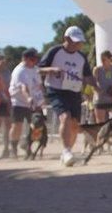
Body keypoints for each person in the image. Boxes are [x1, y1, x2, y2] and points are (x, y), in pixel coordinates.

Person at [38, 25, 93, 166]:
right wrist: (52, 69)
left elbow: (87, 77)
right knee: (65, 117)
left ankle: (67, 152)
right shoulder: (54, 51)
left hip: (74, 92)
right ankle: (67, 150)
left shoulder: (81, 57)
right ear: (66, 38)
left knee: (75, 125)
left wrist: (95, 89)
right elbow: (38, 70)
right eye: (75, 41)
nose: (78, 44)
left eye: (80, 42)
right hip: (56, 90)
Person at [7, 49, 43, 154]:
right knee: (17, 125)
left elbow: (39, 86)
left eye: (36, 59)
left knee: (35, 126)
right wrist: (28, 98)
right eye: (32, 59)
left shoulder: (35, 69)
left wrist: (41, 100)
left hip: (32, 103)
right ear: (25, 59)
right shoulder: (19, 71)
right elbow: (23, 88)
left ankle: (26, 145)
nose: (34, 61)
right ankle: (13, 147)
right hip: (18, 102)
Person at [92, 50, 112, 124]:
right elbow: (93, 84)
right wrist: (98, 90)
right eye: (101, 59)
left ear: (110, 59)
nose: (102, 61)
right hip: (101, 100)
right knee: (100, 124)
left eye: (104, 59)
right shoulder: (97, 70)